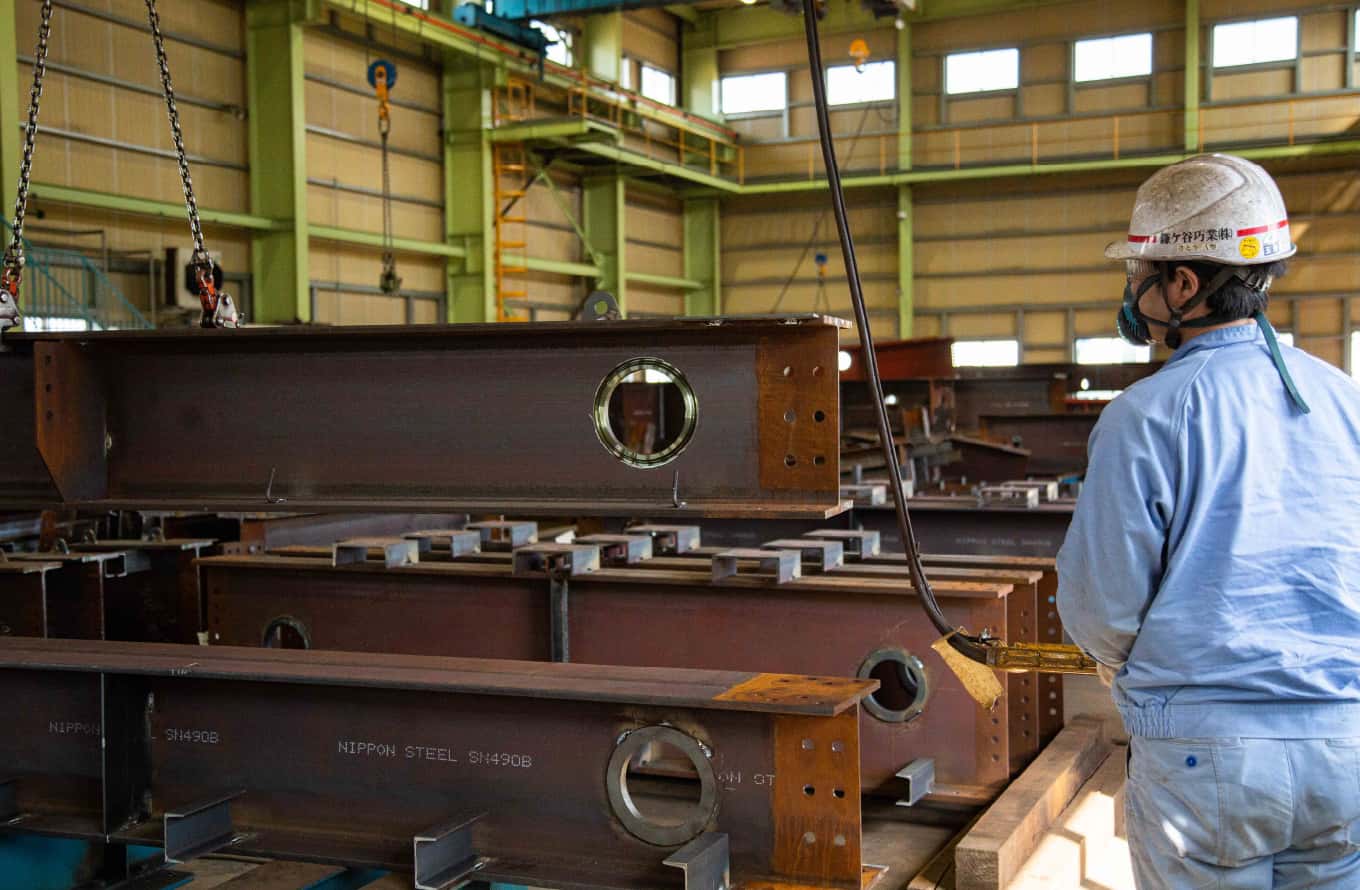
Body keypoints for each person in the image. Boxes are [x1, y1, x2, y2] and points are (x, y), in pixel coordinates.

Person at [1056, 153, 1360, 889]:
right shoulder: (1344, 399)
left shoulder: (1146, 415)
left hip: (1208, 762)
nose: (1132, 289)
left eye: (1141, 272)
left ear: (1184, 285)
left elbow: (1102, 612)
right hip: (1345, 748)